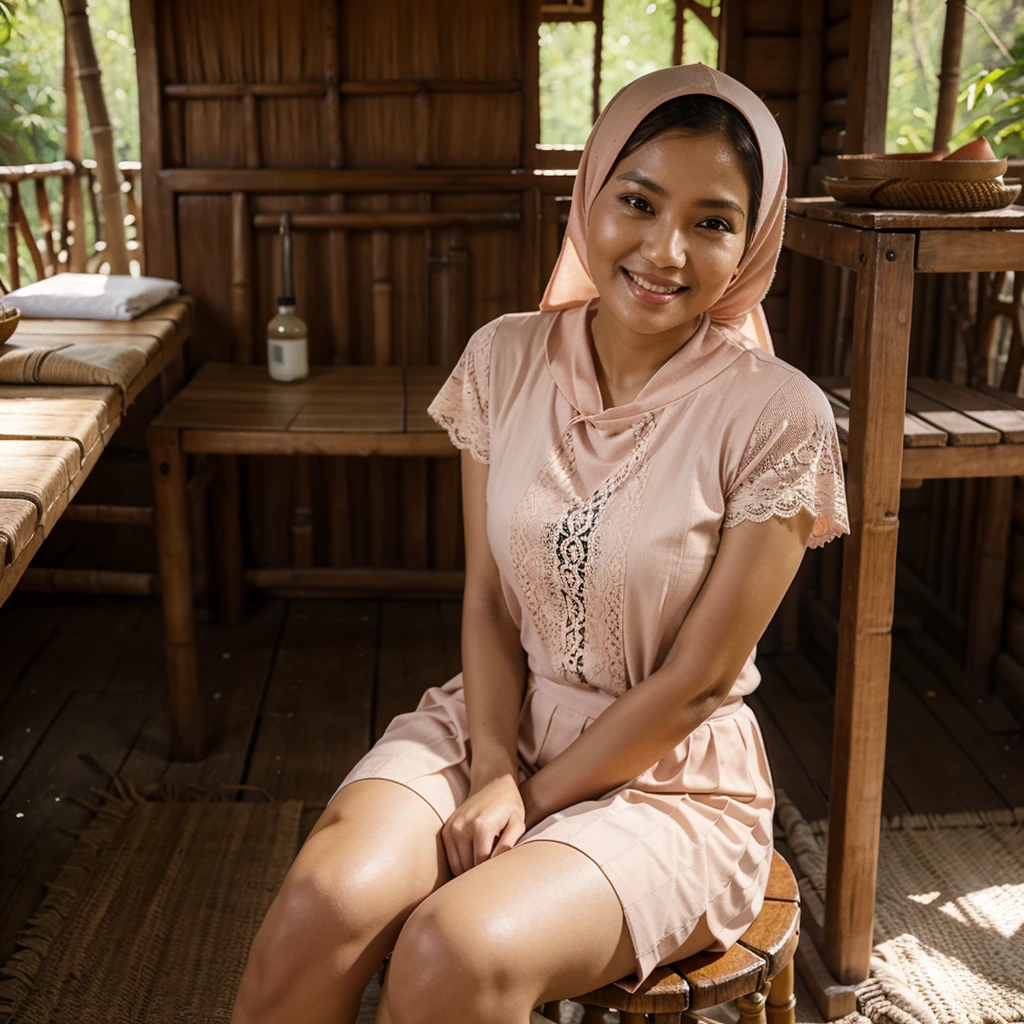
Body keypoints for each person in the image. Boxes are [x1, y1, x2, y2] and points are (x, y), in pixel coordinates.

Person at [230, 62, 849, 1024]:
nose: (665, 249)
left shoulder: (778, 415)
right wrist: (489, 768)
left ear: (753, 243)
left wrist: (533, 795)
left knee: (454, 950)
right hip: (492, 720)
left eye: (713, 222)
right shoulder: (504, 358)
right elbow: (486, 601)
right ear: (588, 193)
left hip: (669, 782)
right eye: (637, 201)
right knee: (321, 908)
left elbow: (695, 682)